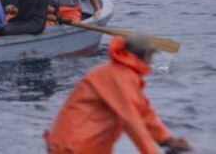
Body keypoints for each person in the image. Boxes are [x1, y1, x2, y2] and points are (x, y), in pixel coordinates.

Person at [44, 35, 192, 154]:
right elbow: (131, 120)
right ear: (146, 55)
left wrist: (167, 140)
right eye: (151, 56)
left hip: (83, 144)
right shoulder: (118, 76)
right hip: (73, 147)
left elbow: (144, 112)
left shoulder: (123, 74)